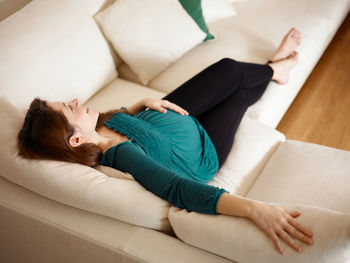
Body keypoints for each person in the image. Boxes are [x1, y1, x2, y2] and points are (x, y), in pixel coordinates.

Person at [17, 28, 313, 255]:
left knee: (227, 72)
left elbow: (119, 117)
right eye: (70, 108)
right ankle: (275, 68)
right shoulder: (120, 156)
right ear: (76, 138)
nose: (76, 101)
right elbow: (177, 189)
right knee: (235, 85)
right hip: (201, 151)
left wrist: (141, 102)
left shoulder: (98, 126)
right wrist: (254, 209)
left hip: (166, 121)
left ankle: (275, 67)